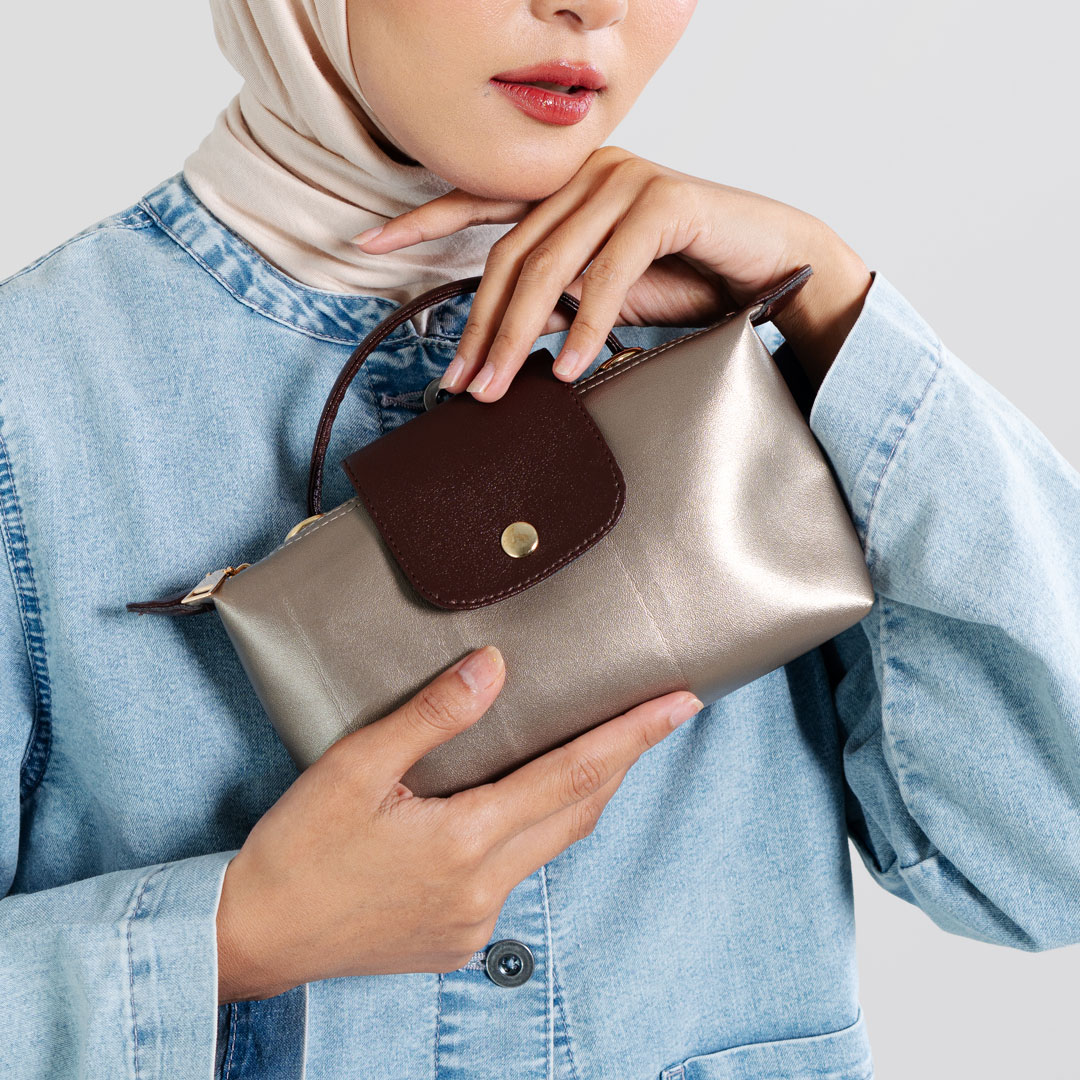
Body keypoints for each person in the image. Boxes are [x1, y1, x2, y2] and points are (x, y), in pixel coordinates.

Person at [1, 0, 1077, 1077]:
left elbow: (1044, 865)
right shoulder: (36, 394)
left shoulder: (741, 351)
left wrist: (831, 304)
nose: (596, 6)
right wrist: (238, 937)